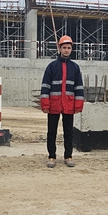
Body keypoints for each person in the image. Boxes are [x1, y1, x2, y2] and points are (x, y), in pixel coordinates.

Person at [40, 35, 85, 168]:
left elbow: (79, 88)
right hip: (54, 105)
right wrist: (45, 104)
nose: (66, 50)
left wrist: (78, 105)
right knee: (51, 132)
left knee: (68, 133)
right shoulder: (51, 67)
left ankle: (68, 156)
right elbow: (45, 86)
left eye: (68, 48)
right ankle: (52, 156)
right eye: (64, 47)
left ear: (71, 49)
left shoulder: (75, 68)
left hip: (68, 105)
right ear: (59, 48)